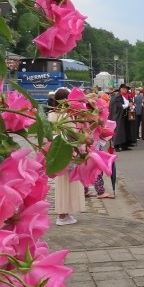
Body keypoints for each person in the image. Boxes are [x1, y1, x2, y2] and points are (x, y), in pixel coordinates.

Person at [49, 88, 85, 224]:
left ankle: (63, 213)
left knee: (61, 183)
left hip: (57, 150)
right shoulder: (68, 115)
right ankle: (63, 215)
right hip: (69, 150)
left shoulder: (52, 114)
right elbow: (73, 133)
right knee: (69, 182)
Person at [108, 83, 130, 151]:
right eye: (123, 89)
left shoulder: (128, 97)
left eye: (126, 89)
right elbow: (118, 106)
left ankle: (124, 145)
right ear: (120, 89)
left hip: (126, 115)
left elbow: (130, 103)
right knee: (118, 131)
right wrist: (128, 105)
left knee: (125, 130)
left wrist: (132, 105)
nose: (125, 90)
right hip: (118, 116)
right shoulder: (116, 97)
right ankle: (116, 145)